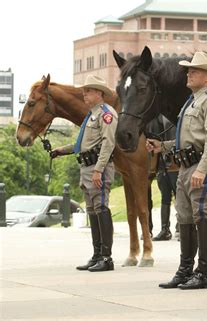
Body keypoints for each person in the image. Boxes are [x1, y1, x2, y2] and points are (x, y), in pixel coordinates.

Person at [146, 52, 207, 290]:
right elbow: (188, 138)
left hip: (200, 167)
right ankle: (185, 270)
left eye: (194, 71)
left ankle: (204, 272)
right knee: (185, 219)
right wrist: (164, 146)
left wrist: (203, 169)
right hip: (184, 167)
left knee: (203, 217)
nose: (188, 74)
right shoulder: (191, 101)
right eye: (189, 70)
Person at [51, 75, 117, 272]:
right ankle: (97, 254)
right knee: (93, 211)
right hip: (87, 167)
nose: (84, 94)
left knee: (101, 208)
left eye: (88, 91)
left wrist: (98, 169)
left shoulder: (106, 113)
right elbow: (84, 144)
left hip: (98, 167)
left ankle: (106, 257)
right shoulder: (91, 115)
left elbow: (108, 143)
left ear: (99, 93)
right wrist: (62, 150)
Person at [146, 114, 179, 241]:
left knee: (179, 195)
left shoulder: (178, 113)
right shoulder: (159, 117)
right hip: (163, 161)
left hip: (176, 161)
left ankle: (180, 226)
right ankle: (165, 229)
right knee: (165, 196)